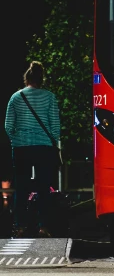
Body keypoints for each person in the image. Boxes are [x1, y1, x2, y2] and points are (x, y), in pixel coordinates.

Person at [4, 61, 61, 238]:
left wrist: (17, 140)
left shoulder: (15, 97)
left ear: (26, 77)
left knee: (21, 186)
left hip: (22, 148)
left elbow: (8, 126)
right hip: (43, 147)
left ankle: (20, 226)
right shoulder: (49, 97)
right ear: (41, 78)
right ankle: (43, 226)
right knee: (44, 187)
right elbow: (55, 127)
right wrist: (48, 139)